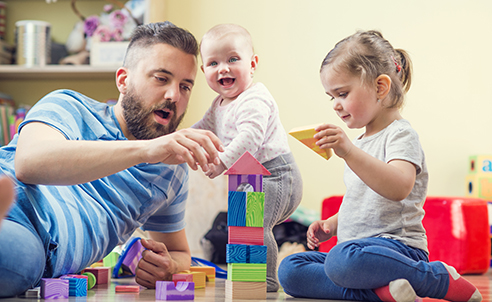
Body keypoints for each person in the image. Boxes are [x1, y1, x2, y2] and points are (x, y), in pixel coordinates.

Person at [0, 21, 224, 297]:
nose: (173, 96)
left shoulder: (170, 171)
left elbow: (180, 252)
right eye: (161, 78)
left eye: (185, 86)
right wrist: (145, 150)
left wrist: (168, 266)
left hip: (36, 244)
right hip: (12, 193)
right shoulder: (69, 105)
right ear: (123, 80)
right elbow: (28, 163)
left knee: (13, 260)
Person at [278, 30, 482, 302]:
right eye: (332, 97)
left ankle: (434, 278)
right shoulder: (360, 142)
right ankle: (381, 293)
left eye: (342, 93)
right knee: (291, 269)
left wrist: (348, 151)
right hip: (356, 251)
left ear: (380, 87)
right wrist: (332, 225)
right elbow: (361, 199)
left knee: (341, 261)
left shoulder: (400, 135)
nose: (336, 106)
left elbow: (399, 187)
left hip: (397, 250)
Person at [192, 23, 303, 292]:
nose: (224, 68)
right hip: (248, 176)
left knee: (255, 225)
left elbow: (249, 138)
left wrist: (220, 161)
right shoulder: (218, 105)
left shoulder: (255, 98)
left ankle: (265, 280)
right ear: (204, 70)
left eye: (233, 59)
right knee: (239, 226)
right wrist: (178, 140)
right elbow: (200, 130)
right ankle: (244, 276)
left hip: (277, 174)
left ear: (252, 64)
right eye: (213, 63)